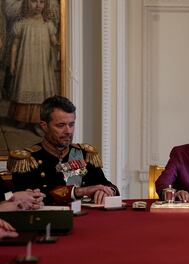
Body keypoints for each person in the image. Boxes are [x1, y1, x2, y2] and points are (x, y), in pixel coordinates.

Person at [8, 95, 119, 205]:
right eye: (61, 125)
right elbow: (28, 198)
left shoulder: (85, 155)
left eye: (71, 124)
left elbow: (107, 185)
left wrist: (106, 191)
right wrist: (79, 191)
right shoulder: (27, 160)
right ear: (44, 126)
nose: (68, 131)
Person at [7, 0, 58, 134]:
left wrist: (56, 45)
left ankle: (38, 122)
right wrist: (12, 63)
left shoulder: (48, 24)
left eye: (41, 2)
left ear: (46, 4)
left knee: (40, 89)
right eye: (34, 1)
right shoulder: (22, 23)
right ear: (26, 3)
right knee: (25, 85)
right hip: (26, 64)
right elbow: (14, 46)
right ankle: (22, 118)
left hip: (42, 65)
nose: (38, 5)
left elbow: (54, 42)